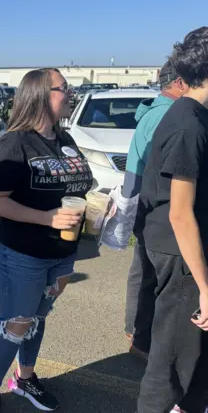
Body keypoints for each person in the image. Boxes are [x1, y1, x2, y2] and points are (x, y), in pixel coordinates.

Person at [0, 68, 93, 412]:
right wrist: (47, 218)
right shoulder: (14, 144)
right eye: (64, 88)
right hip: (23, 253)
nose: (70, 93)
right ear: (41, 95)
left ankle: (25, 378)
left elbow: (75, 187)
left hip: (63, 252)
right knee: (16, 322)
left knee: (38, 317)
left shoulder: (65, 140)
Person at [137, 27, 208, 413]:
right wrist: (204, 285)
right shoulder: (187, 125)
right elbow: (180, 213)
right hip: (181, 258)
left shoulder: (196, 115)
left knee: (194, 358)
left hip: (186, 253)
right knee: (171, 363)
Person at [123, 61, 189, 360]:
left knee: (144, 270)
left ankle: (136, 334)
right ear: (179, 82)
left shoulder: (155, 112)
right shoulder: (168, 115)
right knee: (153, 276)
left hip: (142, 201)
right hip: (155, 207)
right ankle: (141, 339)